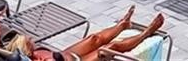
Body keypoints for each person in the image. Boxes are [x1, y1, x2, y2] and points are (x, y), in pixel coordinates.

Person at [16, 7, 167, 61]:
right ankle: (147, 32)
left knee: (94, 38)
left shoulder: (33, 53)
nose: (31, 38)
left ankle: (122, 25)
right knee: (108, 49)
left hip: (68, 55)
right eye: (29, 40)